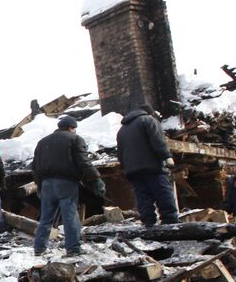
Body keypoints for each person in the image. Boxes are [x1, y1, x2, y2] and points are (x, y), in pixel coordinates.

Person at [32, 115, 104, 256]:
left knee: (45, 218)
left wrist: (39, 186)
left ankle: (39, 248)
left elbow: (35, 167)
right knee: (69, 216)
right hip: (66, 183)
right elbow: (84, 163)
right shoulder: (75, 139)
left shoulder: (42, 142)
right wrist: (96, 179)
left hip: (46, 184)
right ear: (72, 128)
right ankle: (73, 249)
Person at [115, 106, 179, 227]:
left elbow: (120, 154)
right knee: (162, 192)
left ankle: (148, 223)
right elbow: (158, 140)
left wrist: (126, 167)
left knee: (142, 196)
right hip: (152, 166)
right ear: (150, 113)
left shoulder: (122, 130)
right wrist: (167, 156)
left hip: (132, 171)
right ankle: (170, 220)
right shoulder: (148, 120)